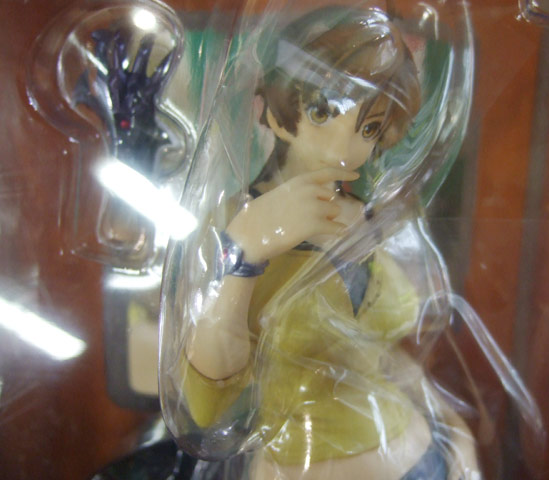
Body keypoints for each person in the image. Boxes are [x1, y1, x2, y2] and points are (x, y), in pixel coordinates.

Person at [181, 6, 478, 479]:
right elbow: (205, 406)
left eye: (369, 128)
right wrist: (244, 253)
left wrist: (454, 430)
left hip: (425, 455)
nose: (343, 148)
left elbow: (382, 357)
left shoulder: (369, 217)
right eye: (322, 113)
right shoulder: (234, 224)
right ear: (275, 111)